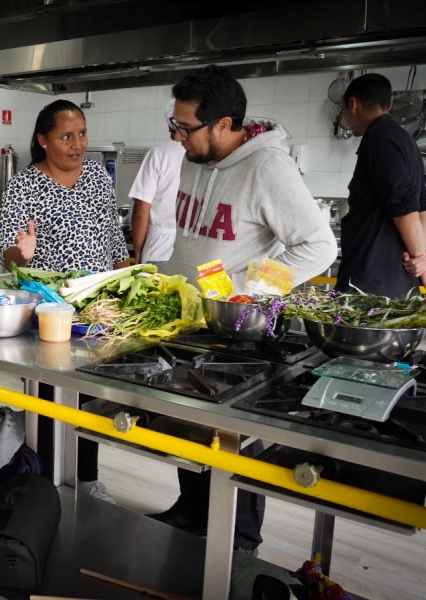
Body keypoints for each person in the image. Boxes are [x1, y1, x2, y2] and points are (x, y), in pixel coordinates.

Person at [156, 65, 338, 555]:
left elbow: (318, 248)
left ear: (223, 125)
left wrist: (244, 287)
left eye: (186, 128)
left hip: (235, 327)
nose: (178, 137)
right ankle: (191, 512)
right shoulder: (197, 158)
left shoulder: (268, 168)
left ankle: (238, 543)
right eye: (173, 125)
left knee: (233, 436)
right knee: (190, 421)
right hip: (191, 317)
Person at [0, 99, 129, 503]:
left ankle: (85, 479)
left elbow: (112, 235)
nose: (77, 144)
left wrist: (129, 275)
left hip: (99, 308)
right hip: (49, 311)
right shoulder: (24, 184)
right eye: (66, 136)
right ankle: (42, 482)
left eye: (82, 133)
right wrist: (23, 252)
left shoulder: (97, 176)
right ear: (43, 140)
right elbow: (7, 252)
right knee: (48, 396)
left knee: (92, 397)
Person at [336, 73, 426, 297]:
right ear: (390, 104)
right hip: (395, 278)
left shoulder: (380, 138)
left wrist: (420, 258)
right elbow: (421, 203)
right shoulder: (406, 141)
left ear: (353, 104)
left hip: (370, 281)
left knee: (352, 331)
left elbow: (403, 204)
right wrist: (421, 257)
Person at [129, 100, 186, 266]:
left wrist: (138, 251)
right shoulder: (208, 155)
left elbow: (141, 211)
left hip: (159, 250)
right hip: (195, 255)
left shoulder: (160, 153)